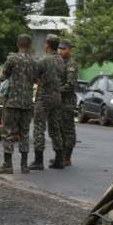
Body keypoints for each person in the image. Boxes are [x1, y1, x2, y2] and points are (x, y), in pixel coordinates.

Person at [0, 34, 36, 175]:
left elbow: (3, 77)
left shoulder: (12, 59)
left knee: (8, 133)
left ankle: (8, 165)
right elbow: (35, 79)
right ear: (29, 45)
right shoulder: (34, 61)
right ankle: (24, 165)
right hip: (27, 103)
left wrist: (2, 74)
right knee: (24, 133)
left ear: (18, 44)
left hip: (12, 102)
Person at [30, 34, 64, 171]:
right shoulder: (61, 60)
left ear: (48, 45)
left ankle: (38, 161)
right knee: (55, 128)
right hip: (57, 97)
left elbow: (33, 75)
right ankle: (59, 159)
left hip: (43, 97)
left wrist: (38, 80)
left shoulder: (43, 60)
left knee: (39, 128)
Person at [57, 39, 78, 167]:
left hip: (67, 102)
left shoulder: (71, 64)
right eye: (59, 48)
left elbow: (70, 85)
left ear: (70, 50)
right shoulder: (59, 62)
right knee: (59, 129)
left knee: (68, 130)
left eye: (63, 49)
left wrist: (56, 90)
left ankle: (67, 157)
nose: (60, 51)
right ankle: (60, 156)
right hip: (58, 101)